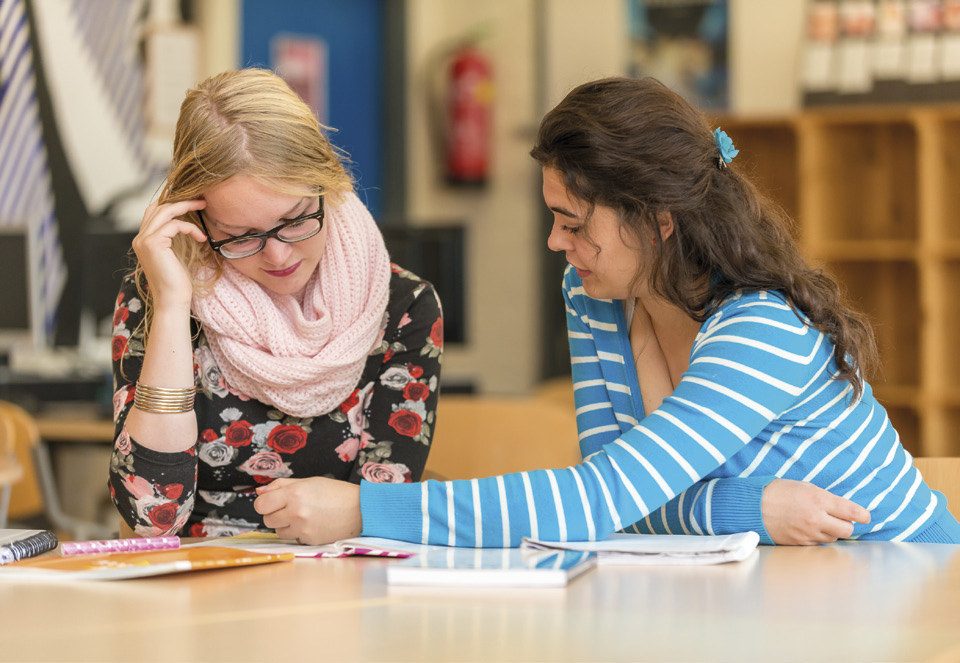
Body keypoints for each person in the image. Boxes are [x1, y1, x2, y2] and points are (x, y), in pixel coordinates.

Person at [277, 76, 960, 547]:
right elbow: (618, 505)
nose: (556, 244)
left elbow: (595, 500)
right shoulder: (595, 298)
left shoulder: (761, 329)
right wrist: (747, 507)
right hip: (792, 587)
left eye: (573, 224)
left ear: (657, 219)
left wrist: (364, 510)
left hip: (911, 589)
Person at [109, 68, 443, 539]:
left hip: (339, 584)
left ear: (328, 182)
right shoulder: (160, 297)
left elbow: (386, 513)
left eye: (294, 219)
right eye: (240, 236)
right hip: (196, 585)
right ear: (197, 220)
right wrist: (169, 310)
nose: (278, 255)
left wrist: (360, 511)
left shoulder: (404, 306)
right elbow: (151, 515)